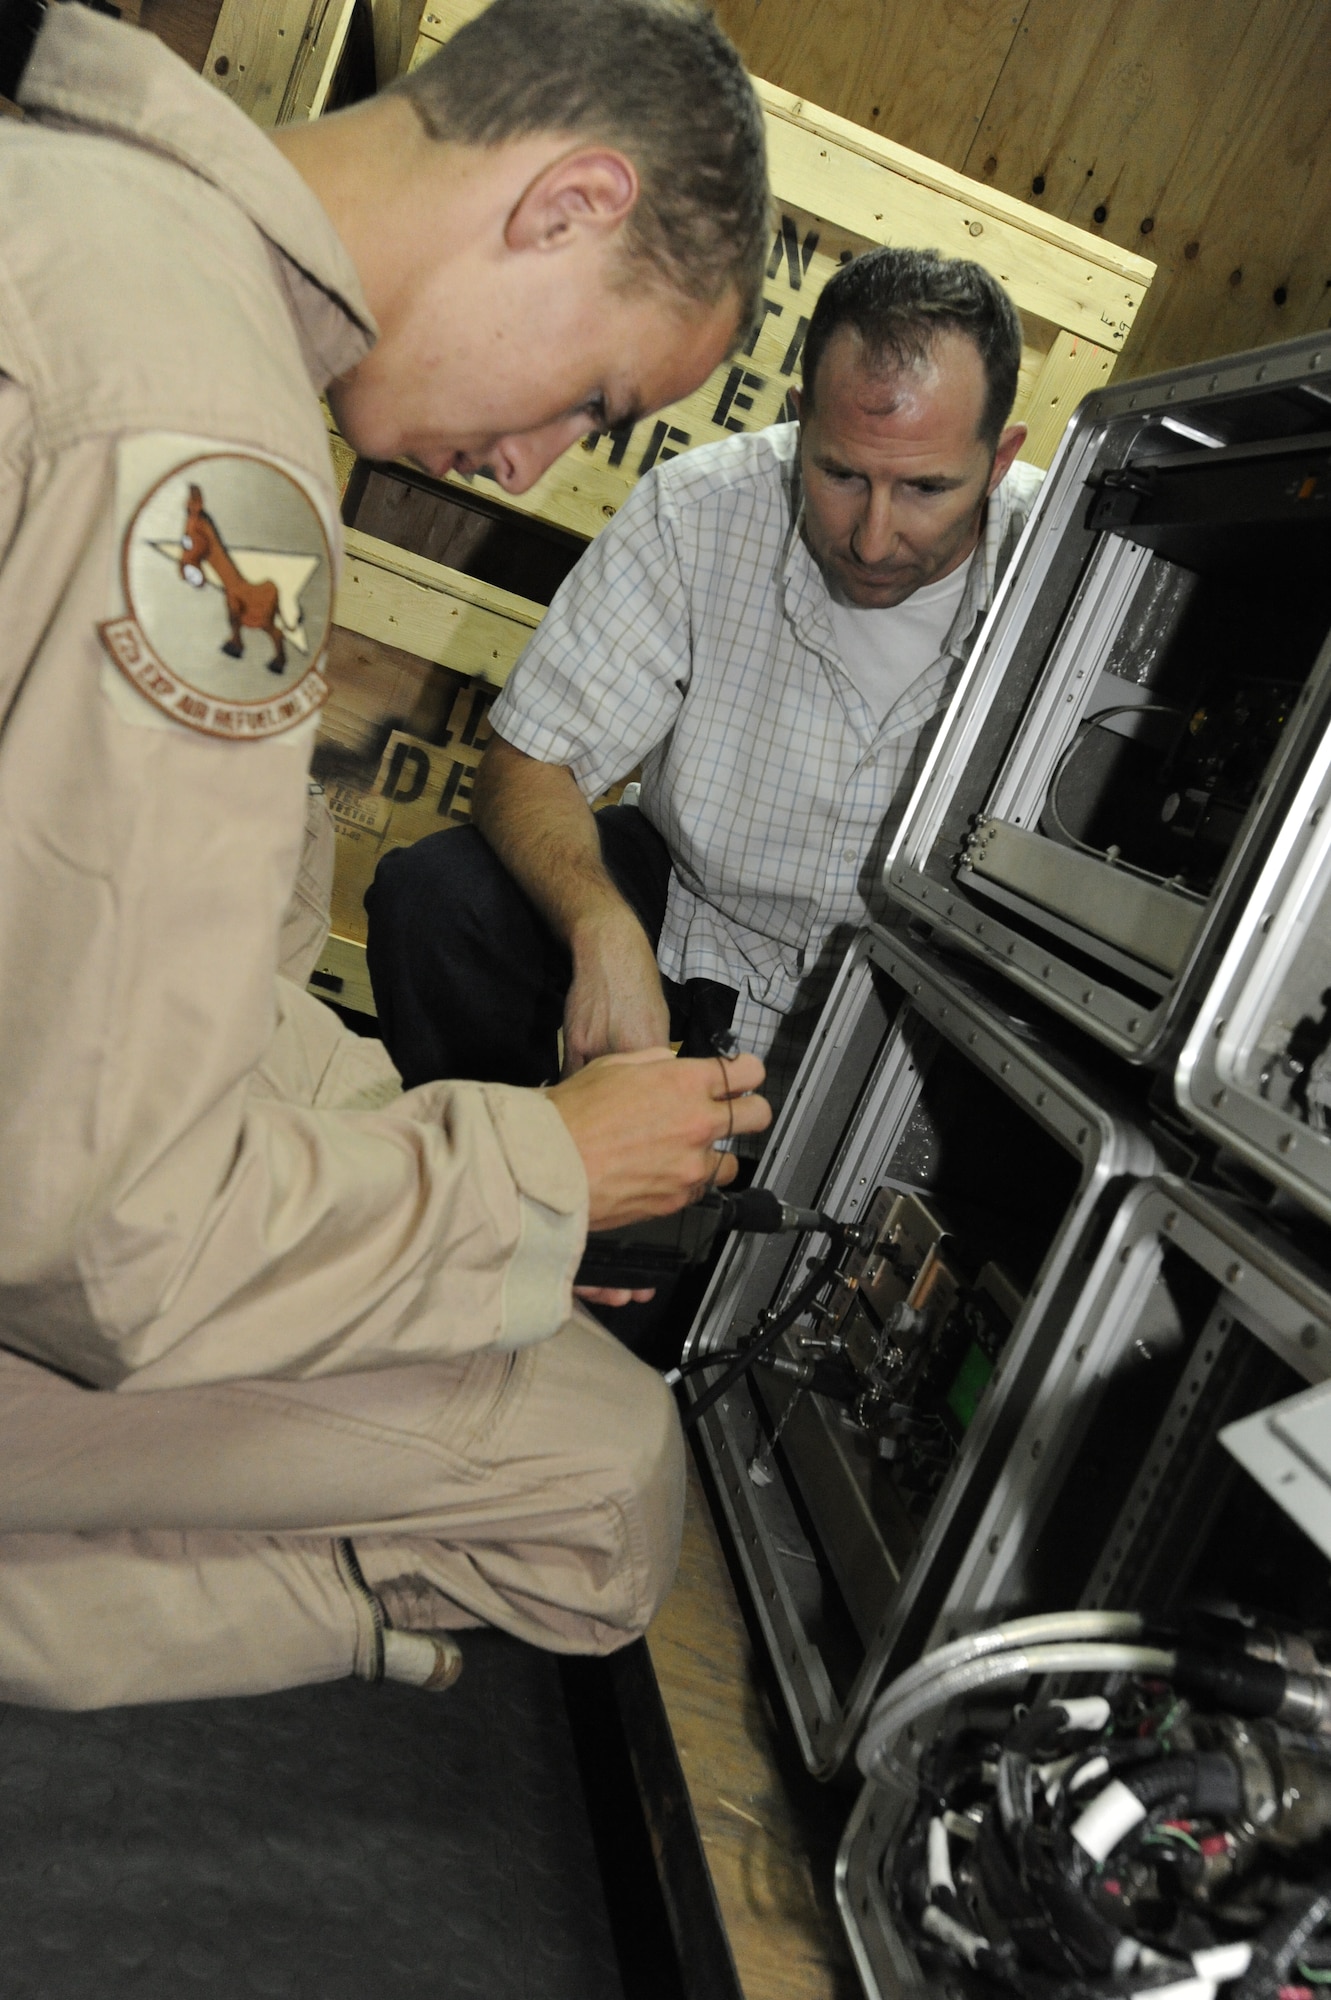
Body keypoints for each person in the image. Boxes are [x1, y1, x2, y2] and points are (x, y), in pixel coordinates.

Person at [0, 0, 772, 1708]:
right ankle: (330, 1611)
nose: (534, 463)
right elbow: (104, 1237)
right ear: (567, 201)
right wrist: (543, 1172)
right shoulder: (202, 440)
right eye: (592, 395)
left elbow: (177, 993)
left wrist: (431, 1148)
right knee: (607, 1484)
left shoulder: (82, 216)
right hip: (51, 1234)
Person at [366, 249, 1046, 1130]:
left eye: (924, 488)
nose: (874, 540)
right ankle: (533, 1195)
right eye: (840, 475)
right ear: (800, 423)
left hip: (921, 1015)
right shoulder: (695, 511)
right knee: (442, 901)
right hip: (690, 939)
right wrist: (600, 931)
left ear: (998, 461)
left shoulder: (1081, 567)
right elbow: (532, 761)